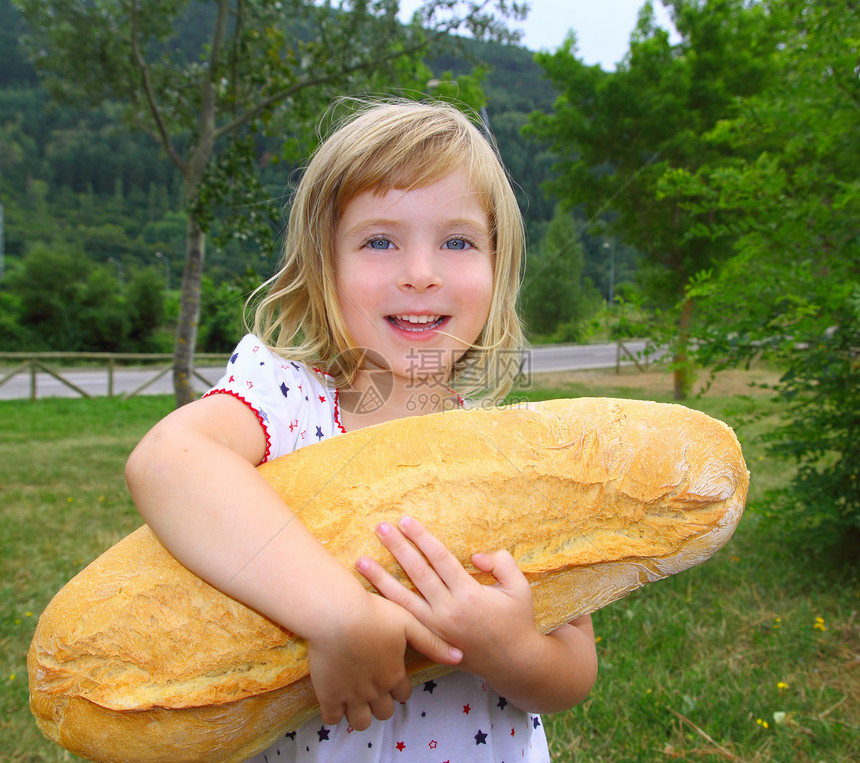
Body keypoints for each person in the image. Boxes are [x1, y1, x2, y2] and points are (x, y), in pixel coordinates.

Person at [125, 98, 598, 762]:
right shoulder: (288, 395)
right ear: (325, 262)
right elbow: (169, 459)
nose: (420, 271)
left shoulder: (507, 454)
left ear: (498, 266)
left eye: (458, 241)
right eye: (380, 240)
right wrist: (337, 614)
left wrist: (512, 650)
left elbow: (574, 667)